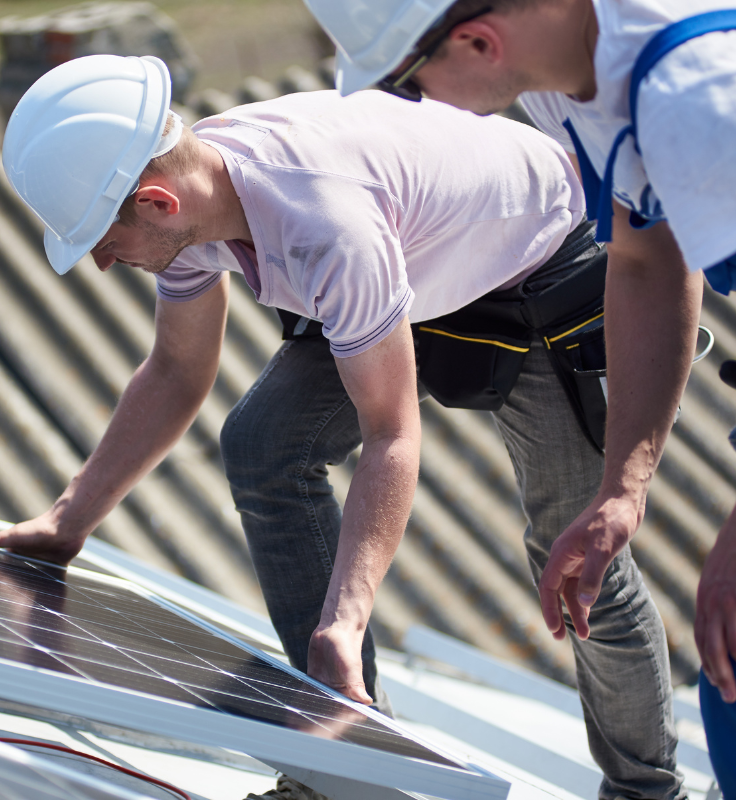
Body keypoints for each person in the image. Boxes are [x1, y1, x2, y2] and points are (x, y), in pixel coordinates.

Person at [0, 53, 683, 800]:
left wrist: (344, 618)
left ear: (156, 202)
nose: (101, 264)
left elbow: (392, 435)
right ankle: (344, 766)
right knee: (263, 444)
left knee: (578, 556)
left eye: (101, 240)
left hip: (530, 255)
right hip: (403, 258)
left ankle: (646, 790)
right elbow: (177, 372)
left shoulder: (321, 223)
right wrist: (68, 520)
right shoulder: (199, 203)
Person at [304, 0, 734, 782]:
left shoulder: (698, 96)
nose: (412, 104)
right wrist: (620, 491)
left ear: (477, 40)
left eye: (406, 80)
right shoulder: (563, 81)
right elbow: (649, 260)